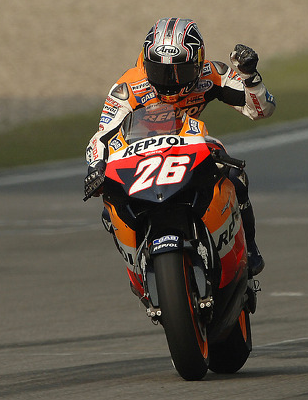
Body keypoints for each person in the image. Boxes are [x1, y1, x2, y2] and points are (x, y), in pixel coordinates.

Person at [84, 17, 276, 278]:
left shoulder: (213, 74)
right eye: (159, 71)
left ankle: (250, 249)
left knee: (235, 176)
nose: (170, 81)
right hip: (142, 156)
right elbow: (102, 135)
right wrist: (95, 167)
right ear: (145, 61)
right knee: (111, 205)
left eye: (180, 72)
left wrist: (250, 77)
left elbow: (261, 111)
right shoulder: (127, 88)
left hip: (191, 146)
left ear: (198, 63)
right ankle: (137, 269)